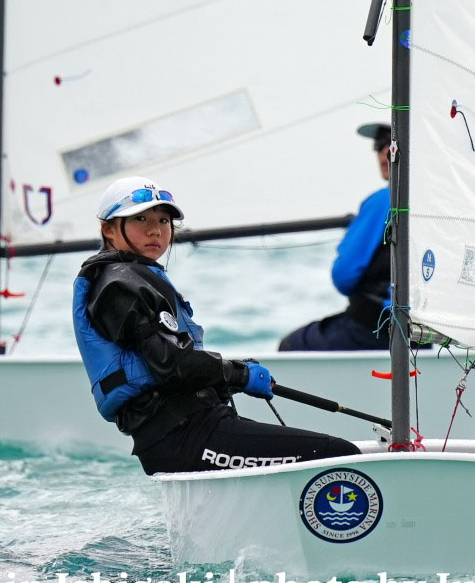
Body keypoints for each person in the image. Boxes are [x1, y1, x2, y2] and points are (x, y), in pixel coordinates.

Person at [74, 176, 360, 474]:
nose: (155, 230)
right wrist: (238, 374)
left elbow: (169, 367)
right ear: (108, 229)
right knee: (340, 456)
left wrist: (230, 375)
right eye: (140, 219)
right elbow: (172, 365)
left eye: (163, 221)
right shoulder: (119, 286)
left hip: (188, 430)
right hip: (182, 437)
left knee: (335, 452)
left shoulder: (132, 278)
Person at [278, 123, 391, 351]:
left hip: (372, 329)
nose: (383, 151)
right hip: (419, 336)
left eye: (391, 143)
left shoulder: (383, 201)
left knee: (290, 346)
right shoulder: (434, 202)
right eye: (378, 145)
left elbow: (343, 276)